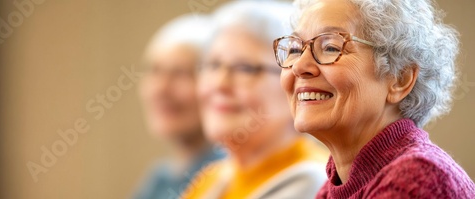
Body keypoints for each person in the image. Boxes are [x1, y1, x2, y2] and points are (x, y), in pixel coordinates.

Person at [274, 0, 475, 198]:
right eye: (295, 50)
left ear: (400, 78)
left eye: (331, 47)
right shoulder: (330, 189)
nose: (300, 66)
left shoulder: (414, 178)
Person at [182, 1, 329, 198]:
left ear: (294, 83)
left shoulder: (312, 183)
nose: (219, 84)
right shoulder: (211, 178)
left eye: (245, 68)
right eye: (213, 65)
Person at [132, 14, 225, 199]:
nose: (160, 89)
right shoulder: (158, 180)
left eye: (180, 73)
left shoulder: (227, 178)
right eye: (154, 71)